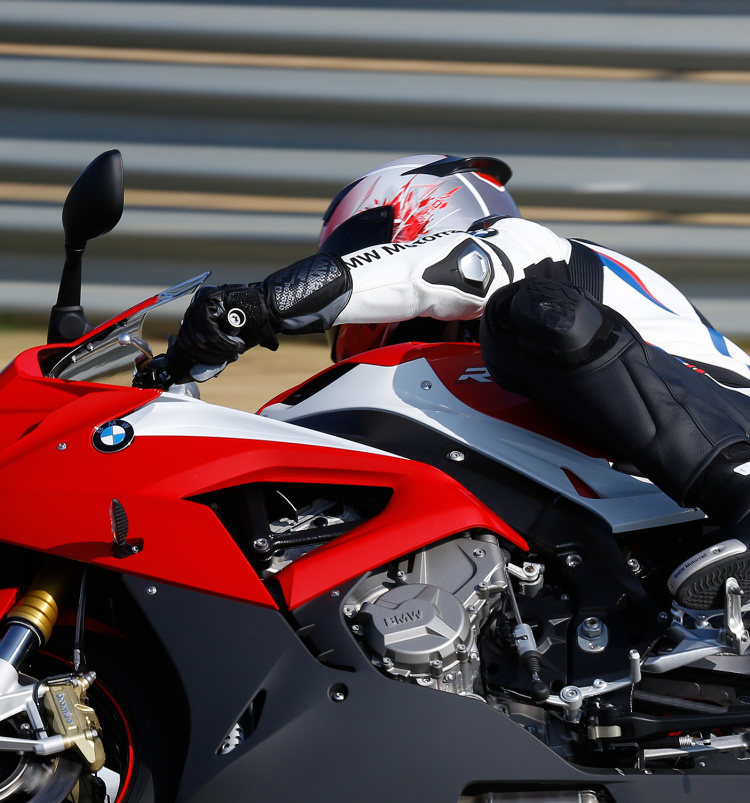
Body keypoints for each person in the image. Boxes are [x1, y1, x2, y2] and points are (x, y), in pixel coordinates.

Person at [143, 153, 750, 611]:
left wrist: (264, 303)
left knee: (533, 311)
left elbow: (441, 269)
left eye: (361, 245)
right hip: (653, 508)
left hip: (727, 430)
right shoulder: (495, 384)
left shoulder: (525, 251)